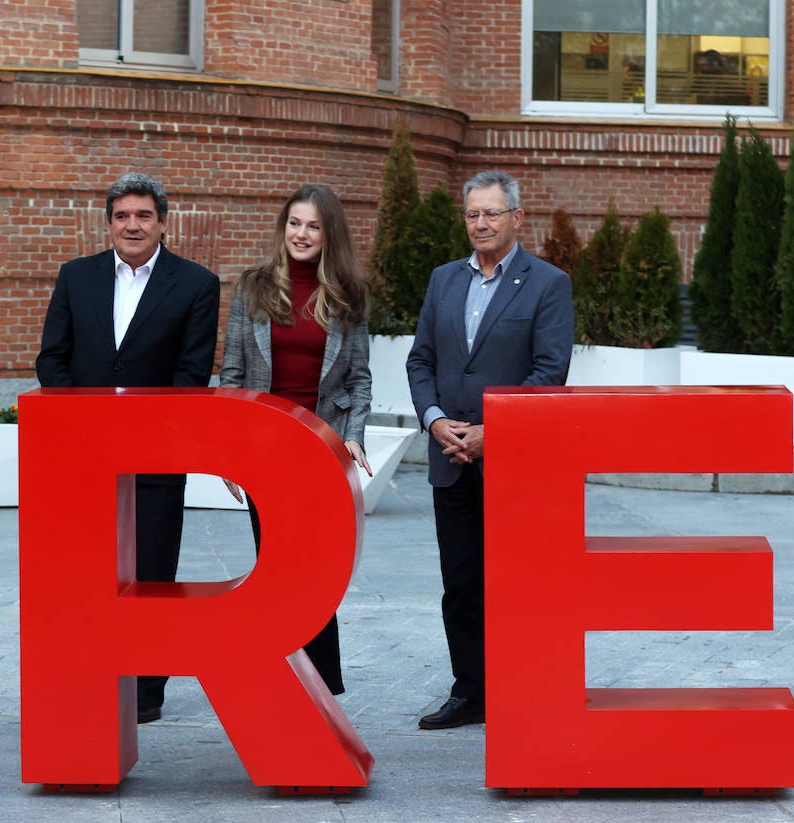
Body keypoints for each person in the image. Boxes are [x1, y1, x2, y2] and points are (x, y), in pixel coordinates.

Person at [35, 172, 221, 724]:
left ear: (162, 221)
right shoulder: (77, 277)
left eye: (143, 215)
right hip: (86, 455)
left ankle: (145, 689)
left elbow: (191, 376)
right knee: (88, 569)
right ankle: (94, 670)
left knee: (153, 570)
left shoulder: (195, 284)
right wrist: (84, 426)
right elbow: (52, 360)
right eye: (122, 216)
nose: (132, 225)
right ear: (109, 222)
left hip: (157, 454)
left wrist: (141, 431)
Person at [405, 170, 573, 729]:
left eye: (491, 213)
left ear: (517, 219)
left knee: (519, 583)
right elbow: (421, 360)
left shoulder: (548, 283)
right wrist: (435, 423)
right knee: (461, 584)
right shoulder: (442, 280)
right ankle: (470, 691)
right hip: (449, 461)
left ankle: (524, 690)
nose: (480, 223)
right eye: (473, 214)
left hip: (514, 465)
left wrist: (490, 432)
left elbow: (549, 375)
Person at [218, 183, 372, 695]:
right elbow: (234, 372)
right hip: (265, 451)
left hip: (319, 450)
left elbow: (358, 378)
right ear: (282, 227)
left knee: (312, 572)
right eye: (294, 223)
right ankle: (278, 679)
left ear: (329, 235)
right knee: (272, 568)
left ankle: (323, 685)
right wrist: (230, 453)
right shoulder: (253, 287)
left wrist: (353, 436)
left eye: (312, 226)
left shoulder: (349, 294)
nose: (301, 234)